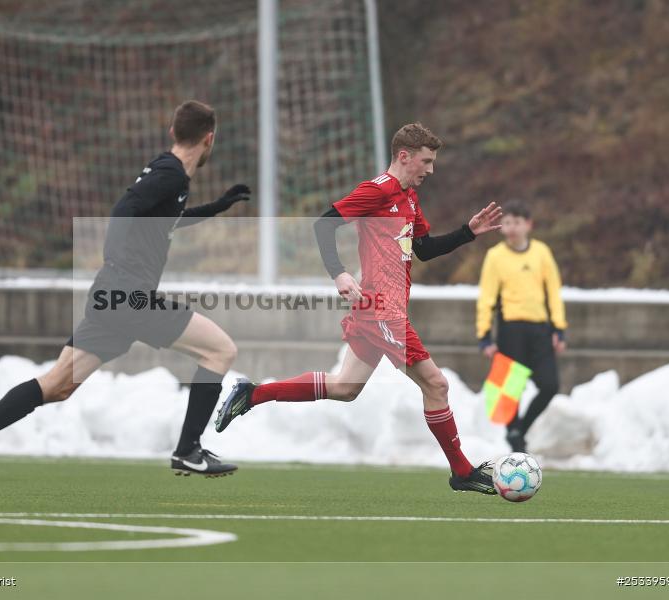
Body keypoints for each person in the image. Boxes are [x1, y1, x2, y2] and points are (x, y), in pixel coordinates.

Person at [0, 100, 250, 494]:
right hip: (128, 294)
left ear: (172, 132)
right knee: (220, 351)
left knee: (56, 385)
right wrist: (120, 264)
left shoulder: (166, 171)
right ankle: (188, 450)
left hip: (110, 294)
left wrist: (215, 207)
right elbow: (123, 211)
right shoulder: (171, 175)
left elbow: (158, 217)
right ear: (210, 138)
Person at [216, 123, 503, 495]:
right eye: (426, 161)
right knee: (437, 383)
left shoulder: (409, 198)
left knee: (344, 387)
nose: (430, 170)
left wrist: (468, 231)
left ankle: (252, 393)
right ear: (404, 156)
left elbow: (424, 249)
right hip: (381, 310)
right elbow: (324, 225)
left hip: (384, 309)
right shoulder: (377, 190)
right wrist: (339, 274)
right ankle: (462, 471)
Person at [476, 201, 567, 452]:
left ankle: (521, 430)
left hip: (540, 330)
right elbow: (487, 298)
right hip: (510, 331)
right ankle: (514, 437)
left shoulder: (541, 252)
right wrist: (484, 335)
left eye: (517, 222)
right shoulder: (495, 256)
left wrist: (559, 329)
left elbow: (553, 293)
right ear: (501, 227)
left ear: (528, 225)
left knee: (550, 385)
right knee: (507, 391)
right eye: (507, 223)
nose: (512, 228)